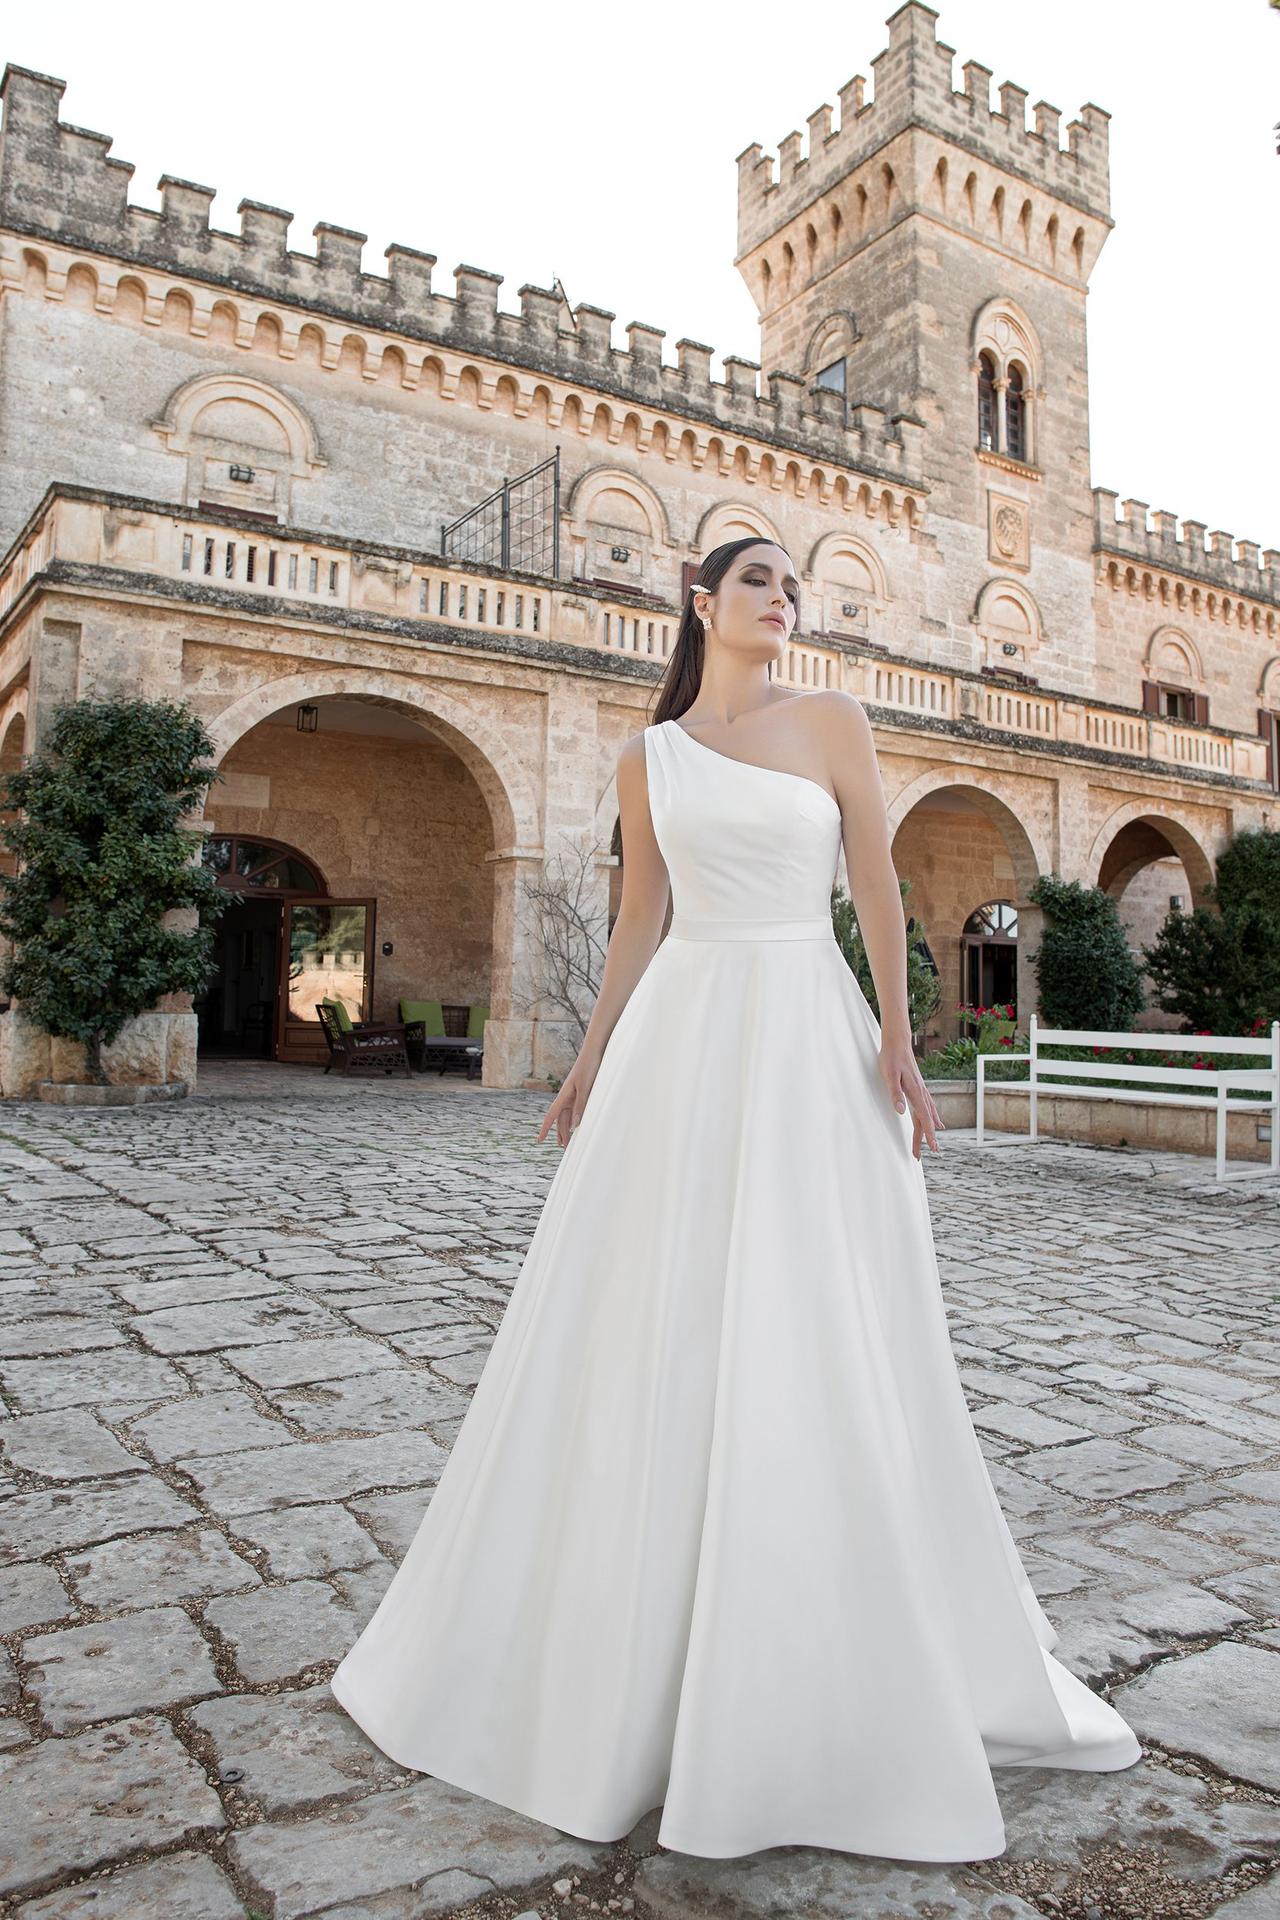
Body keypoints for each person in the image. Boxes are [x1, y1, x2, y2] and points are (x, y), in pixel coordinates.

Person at [329, 536, 1143, 1862]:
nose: (783, 600)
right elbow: (643, 917)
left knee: (813, 1305)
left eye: (791, 587)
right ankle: (632, 1638)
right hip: (684, 1042)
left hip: (807, 1028)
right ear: (702, 605)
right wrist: (586, 1065)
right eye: (758, 581)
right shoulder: (649, 759)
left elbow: (876, 881)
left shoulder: (830, 719)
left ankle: (816, 1629)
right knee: (658, 1310)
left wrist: (901, 1033)